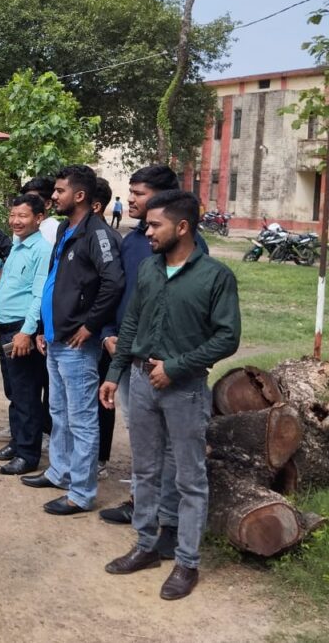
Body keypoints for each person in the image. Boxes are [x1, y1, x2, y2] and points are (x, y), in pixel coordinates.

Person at [101, 190, 240, 600]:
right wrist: (114, 373)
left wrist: (176, 367)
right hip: (142, 381)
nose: (147, 231)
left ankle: (187, 562)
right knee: (144, 470)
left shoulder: (216, 277)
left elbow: (228, 337)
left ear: (182, 227)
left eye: (154, 225)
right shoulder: (149, 268)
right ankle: (146, 545)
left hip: (185, 390)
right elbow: (131, 324)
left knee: (189, 478)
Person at [97, 165, 209, 549]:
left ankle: (170, 522)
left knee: (171, 446)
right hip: (129, 356)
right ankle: (142, 505)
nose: (131, 200)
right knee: (142, 438)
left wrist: (173, 360)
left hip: (169, 366)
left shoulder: (191, 250)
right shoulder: (133, 241)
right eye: (131, 192)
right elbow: (119, 293)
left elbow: (195, 315)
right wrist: (108, 333)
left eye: (139, 194)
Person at [21, 164, 124, 516]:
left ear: (80, 195)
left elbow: (113, 282)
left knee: (81, 418)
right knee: (59, 412)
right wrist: (43, 328)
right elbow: (55, 281)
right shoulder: (67, 229)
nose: (54, 196)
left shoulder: (98, 235)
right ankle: (60, 472)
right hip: (56, 338)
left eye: (60, 190)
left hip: (78, 343)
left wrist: (90, 325)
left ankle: (81, 492)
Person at [0, 194, 52, 475]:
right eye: (13, 215)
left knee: (26, 394)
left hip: (22, 330)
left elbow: (39, 295)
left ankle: (28, 454)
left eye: (23, 216)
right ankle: (17, 442)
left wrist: (27, 331)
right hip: (7, 327)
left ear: (39, 218)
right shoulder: (17, 245)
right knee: (14, 391)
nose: (15, 221)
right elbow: (8, 286)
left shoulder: (42, 250)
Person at [91, 178, 121, 479]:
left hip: (100, 333)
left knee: (102, 393)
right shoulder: (74, 232)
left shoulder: (107, 238)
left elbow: (112, 287)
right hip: (86, 331)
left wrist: (100, 328)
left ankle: (100, 457)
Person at [20, 176, 61, 245]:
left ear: (48, 204)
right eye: (24, 200)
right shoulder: (20, 226)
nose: (26, 204)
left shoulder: (56, 230)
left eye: (32, 199)